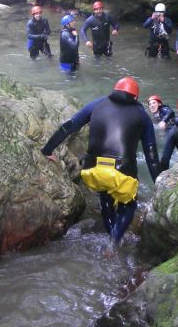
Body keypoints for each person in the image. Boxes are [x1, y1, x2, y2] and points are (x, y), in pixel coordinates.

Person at [41, 76, 160, 247]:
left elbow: (69, 126)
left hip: (92, 171)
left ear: (114, 90)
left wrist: (47, 150)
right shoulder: (142, 115)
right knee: (129, 204)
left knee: (105, 193)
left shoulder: (97, 103)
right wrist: (159, 182)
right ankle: (114, 240)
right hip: (121, 174)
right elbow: (151, 155)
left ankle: (109, 228)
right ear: (135, 97)